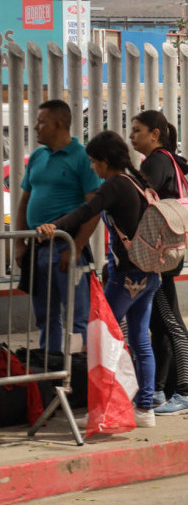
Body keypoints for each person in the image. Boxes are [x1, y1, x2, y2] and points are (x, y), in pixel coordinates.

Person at [37, 131, 162, 427]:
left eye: (94, 162)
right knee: (141, 341)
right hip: (149, 273)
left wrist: (53, 226)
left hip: (127, 278)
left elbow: (85, 211)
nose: (92, 167)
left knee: (101, 339)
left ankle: (103, 411)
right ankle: (145, 410)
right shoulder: (135, 182)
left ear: (105, 162)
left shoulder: (116, 184)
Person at [15, 100, 100, 353]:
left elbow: (94, 207)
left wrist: (76, 247)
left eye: (41, 121)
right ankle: (50, 366)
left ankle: (76, 372)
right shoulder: (38, 156)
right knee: (45, 315)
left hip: (66, 247)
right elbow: (25, 200)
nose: (35, 126)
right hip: (38, 248)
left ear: (58, 123)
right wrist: (20, 243)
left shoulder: (82, 158)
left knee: (77, 317)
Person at [130, 110, 188, 416]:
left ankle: (186, 392)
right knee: (159, 324)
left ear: (155, 134)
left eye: (137, 130)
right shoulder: (166, 160)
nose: (132, 136)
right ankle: (157, 390)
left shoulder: (156, 161)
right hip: (164, 253)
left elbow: (141, 202)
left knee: (171, 323)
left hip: (159, 256)